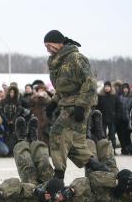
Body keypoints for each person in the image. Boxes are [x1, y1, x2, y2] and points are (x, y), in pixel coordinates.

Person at [44, 30, 107, 180]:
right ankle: (94, 164)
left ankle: (58, 175)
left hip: (77, 104)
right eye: (45, 46)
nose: (47, 49)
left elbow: (90, 82)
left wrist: (81, 105)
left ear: (60, 43)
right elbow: (63, 86)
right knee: (73, 142)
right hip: (65, 103)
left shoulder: (76, 58)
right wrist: (53, 102)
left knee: (56, 134)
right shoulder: (55, 61)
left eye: (49, 45)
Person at [13, 116, 53, 185]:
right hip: (49, 188)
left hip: (33, 191)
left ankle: (21, 141)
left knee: (27, 168)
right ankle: (34, 142)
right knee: (45, 165)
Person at [97, 81, 121, 153]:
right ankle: (103, 150)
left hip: (112, 119)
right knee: (102, 136)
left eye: (108, 86)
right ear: (104, 87)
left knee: (112, 135)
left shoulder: (114, 96)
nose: (107, 88)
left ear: (110, 87)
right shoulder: (100, 96)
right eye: (106, 86)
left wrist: (117, 116)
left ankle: (113, 150)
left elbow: (119, 107)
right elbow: (97, 107)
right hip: (103, 119)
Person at [117, 83, 132, 155]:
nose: (125, 89)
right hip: (120, 119)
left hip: (128, 119)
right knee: (121, 135)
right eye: (124, 88)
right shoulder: (119, 97)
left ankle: (129, 149)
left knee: (127, 136)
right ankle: (124, 149)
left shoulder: (131, 97)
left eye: (126, 88)